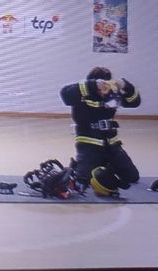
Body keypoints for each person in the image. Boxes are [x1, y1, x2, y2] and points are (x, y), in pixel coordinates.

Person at [60, 66, 141, 196]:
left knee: (132, 176)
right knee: (84, 179)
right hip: (89, 145)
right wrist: (93, 85)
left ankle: (104, 165)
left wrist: (125, 85)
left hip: (112, 146)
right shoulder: (82, 93)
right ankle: (77, 167)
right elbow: (65, 94)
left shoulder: (112, 94)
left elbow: (135, 102)